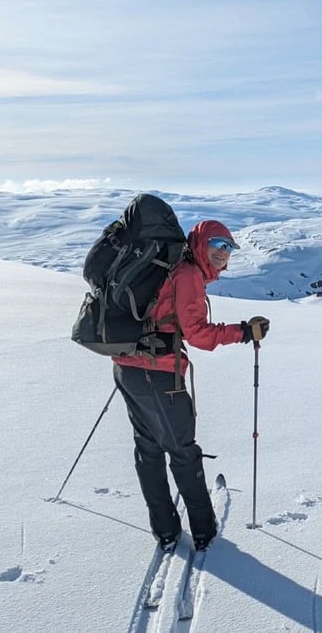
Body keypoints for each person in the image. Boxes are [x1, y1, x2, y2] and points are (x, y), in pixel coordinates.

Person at [112, 219, 270, 552]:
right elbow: (198, 334)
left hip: (128, 366)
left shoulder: (172, 269)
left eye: (229, 248)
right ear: (200, 243)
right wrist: (242, 332)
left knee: (148, 450)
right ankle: (203, 532)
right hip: (159, 374)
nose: (223, 252)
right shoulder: (187, 275)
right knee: (183, 453)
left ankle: (165, 531)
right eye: (217, 244)